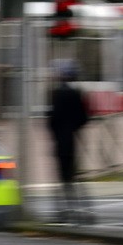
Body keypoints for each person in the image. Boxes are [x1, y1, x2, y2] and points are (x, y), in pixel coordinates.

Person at [46, 60, 92, 224]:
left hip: (60, 140)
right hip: (72, 139)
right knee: (73, 175)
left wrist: (55, 130)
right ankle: (84, 210)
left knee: (64, 177)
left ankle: (64, 210)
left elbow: (52, 120)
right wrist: (74, 128)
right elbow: (85, 117)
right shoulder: (76, 93)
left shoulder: (57, 94)